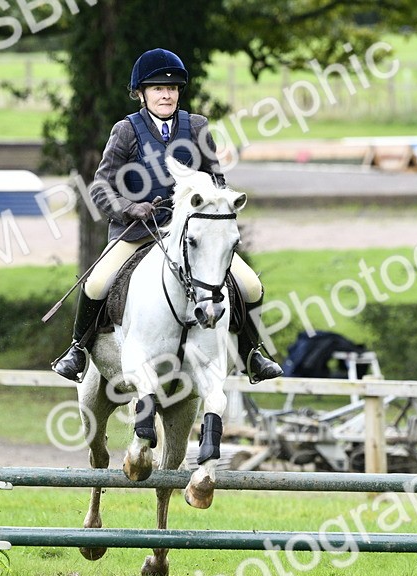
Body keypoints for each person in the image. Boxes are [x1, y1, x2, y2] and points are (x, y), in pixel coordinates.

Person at [51, 47, 284, 385]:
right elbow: (101, 186)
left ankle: (253, 353)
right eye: (158, 88)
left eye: (172, 89)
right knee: (96, 282)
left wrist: (214, 204)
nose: (166, 95)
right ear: (141, 94)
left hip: (190, 235)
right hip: (137, 232)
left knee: (250, 286)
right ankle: (78, 350)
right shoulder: (126, 130)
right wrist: (130, 208)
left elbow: (217, 179)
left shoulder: (197, 126)